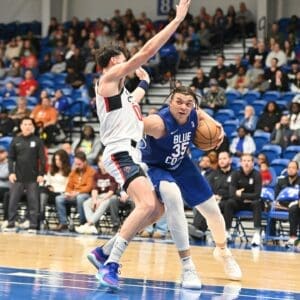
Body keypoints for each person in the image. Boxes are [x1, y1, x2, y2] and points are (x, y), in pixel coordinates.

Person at [87, 0, 193, 289]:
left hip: (131, 154)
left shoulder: (123, 97)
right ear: (113, 62)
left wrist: (144, 83)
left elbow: (134, 101)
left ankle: (102, 251)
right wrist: (176, 21)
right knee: (147, 204)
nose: (130, 62)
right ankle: (111, 264)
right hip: (120, 152)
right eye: (125, 59)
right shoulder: (107, 80)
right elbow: (147, 52)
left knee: (156, 209)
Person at [141, 86, 242, 285]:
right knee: (173, 197)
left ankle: (223, 251)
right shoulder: (158, 123)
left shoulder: (194, 114)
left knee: (213, 211)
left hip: (181, 164)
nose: (183, 107)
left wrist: (215, 123)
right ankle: (188, 266)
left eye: (188, 103)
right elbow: (134, 125)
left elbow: (199, 111)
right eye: (178, 101)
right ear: (170, 102)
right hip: (156, 167)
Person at [6, 117, 46, 232]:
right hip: (18, 177)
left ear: (33, 127)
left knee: (33, 202)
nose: (27, 126)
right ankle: (11, 224)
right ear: (21, 126)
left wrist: (41, 174)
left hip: (33, 178)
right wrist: (11, 172)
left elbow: (42, 159)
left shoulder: (37, 141)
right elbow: (10, 158)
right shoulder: (15, 140)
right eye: (25, 124)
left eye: (29, 124)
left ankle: (33, 225)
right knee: (13, 201)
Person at [223, 153, 262, 246]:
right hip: (239, 203)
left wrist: (241, 194)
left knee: (257, 203)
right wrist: (244, 197)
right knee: (229, 202)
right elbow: (232, 194)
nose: (246, 163)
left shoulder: (257, 175)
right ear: (240, 163)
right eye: (244, 161)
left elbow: (257, 194)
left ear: (253, 163)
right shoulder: (235, 174)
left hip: (251, 203)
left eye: (249, 161)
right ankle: (226, 232)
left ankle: (257, 234)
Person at [75, 154, 118, 234]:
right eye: (101, 162)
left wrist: (101, 200)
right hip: (98, 196)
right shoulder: (96, 174)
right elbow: (94, 189)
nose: (103, 163)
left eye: (104, 161)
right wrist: (94, 200)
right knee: (86, 203)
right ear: (98, 163)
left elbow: (111, 191)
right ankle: (92, 226)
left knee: (104, 203)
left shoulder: (112, 174)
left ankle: (89, 224)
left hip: (109, 197)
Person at [54, 151, 95, 231]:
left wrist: (77, 193)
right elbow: (69, 185)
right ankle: (64, 223)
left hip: (85, 195)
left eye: (79, 164)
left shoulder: (91, 171)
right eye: (76, 164)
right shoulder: (74, 172)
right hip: (73, 194)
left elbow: (89, 187)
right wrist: (68, 193)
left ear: (85, 162)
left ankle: (82, 223)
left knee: (80, 198)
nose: (77, 166)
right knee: (59, 198)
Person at [40, 149, 71, 228]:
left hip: (62, 193)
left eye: (59, 159)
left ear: (64, 160)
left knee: (58, 197)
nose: (57, 161)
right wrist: (49, 186)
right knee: (42, 191)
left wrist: (59, 190)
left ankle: (63, 223)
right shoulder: (51, 170)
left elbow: (69, 186)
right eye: (56, 159)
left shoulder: (69, 171)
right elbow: (47, 182)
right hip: (51, 193)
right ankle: (41, 219)